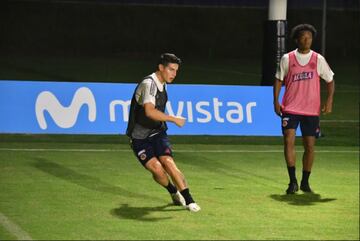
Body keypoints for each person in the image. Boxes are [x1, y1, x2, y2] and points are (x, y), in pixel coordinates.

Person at [126, 53, 201, 212]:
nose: (174, 74)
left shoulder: (163, 83)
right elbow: (150, 112)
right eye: (171, 69)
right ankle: (173, 191)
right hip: (139, 136)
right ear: (161, 68)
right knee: (157, 169)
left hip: (157, 132)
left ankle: (189, 200)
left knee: (168, 162)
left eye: (176, 71)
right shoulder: (149, 84)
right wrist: (173, 119)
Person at [273, 24, 335, 194]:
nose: (307, 40)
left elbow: (330, 80)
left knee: (309, 145)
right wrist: (275, 101)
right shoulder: (287, 58)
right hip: (291, 107)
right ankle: (292, 181)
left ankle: (305, 182)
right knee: (288, 140)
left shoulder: (318, 59)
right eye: (303, 37)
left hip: (310, 110)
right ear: (296, 39)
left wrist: (329, 100)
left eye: (309, 37)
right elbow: (278, 80)